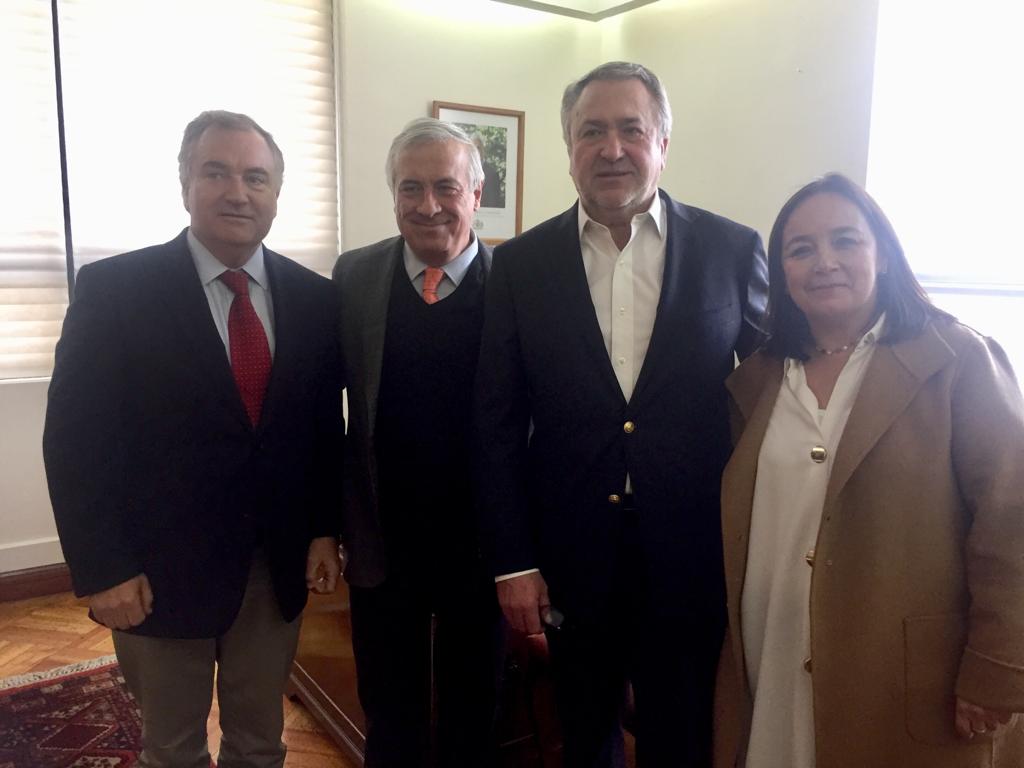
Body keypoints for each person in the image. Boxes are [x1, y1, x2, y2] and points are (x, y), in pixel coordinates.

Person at [475, 61, 768, 767]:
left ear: (662, 142)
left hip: (694, 550)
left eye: (631, 130)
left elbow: (770, 402)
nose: (611, 150)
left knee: (683, 734)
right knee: (584, 733)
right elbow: (496, 424)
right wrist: (514, 563)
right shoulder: (519, 265)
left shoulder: (732, 250)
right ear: (569, 147)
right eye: (591, 132)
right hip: (571, 555)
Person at [43, 110, 344, 768]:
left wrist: (324, 529)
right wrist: (103, 569)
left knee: (259, 742)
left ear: (276, 193)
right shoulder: (115, 291)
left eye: (256, 177)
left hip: (272, 569)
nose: (238, 192)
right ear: (185, 184)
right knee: (173, 748)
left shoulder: (316, 299)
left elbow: (324, 429)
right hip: (157, 572)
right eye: (216, 173)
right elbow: (74, 441)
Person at [715, 173, 1024, 768]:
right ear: (780, 273)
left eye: (845, 240)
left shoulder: (958, 360)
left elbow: (1011, 521)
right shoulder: (756, 380)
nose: (824, 262)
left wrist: (999, 668)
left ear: (882, 253)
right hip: (773, 656)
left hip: (902, 671)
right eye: (800, 249)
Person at [333, 117, 504, 768]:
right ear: (394, 194)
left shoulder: (517, 282)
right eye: (411, 188)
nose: (428, 206)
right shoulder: (354, 276)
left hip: (482, 546)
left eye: (446, 187)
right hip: (383, 542)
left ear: (476, 193)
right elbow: (324, 406)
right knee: (388, 711)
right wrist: (328, 526)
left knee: (474, 712)